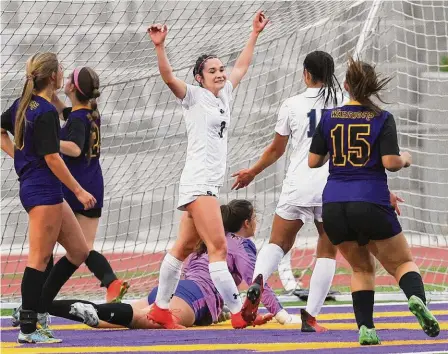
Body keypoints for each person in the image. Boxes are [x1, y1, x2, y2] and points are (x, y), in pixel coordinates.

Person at [145, 11, 269, 329]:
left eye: (220, 69)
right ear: (199, 78)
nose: (219, 73)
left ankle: (160, 309)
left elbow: (241, 66)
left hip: (207, 184)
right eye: (212, 70)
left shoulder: (225, 92)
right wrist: (160, 46)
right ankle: (239, 312)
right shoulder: (194, 97)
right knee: (218, 247)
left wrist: (253, 34)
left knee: (183, 247)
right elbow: (170, 79)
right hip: (199, 182)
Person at [308, 56, 440, 344]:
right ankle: (416, 299)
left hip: (334, 204)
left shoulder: (329, 117)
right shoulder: (382, 117)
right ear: (372, 88)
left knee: (361, 268)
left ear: (346, 86)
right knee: (403, 263)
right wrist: (405, 159)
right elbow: (390, 162)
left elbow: (313, 161)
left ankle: (366, 329)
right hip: (370, 200)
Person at [47, 200, 301, 329]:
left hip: (171, 291)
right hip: (193, 297)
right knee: (136, 320)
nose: (256, 223)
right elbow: (258, 283)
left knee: (117, 317)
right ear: (247, 223)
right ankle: (51, 308)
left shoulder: (208, 239)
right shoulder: (241, 245)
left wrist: (221, 309)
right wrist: (281, 314)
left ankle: (40, 307)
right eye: (255, 219)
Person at [232, 51, 345, 331]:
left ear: (306, 74)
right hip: (331, 185)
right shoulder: (344, 103)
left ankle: (258, 279)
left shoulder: (291, 104)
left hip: (298, 183)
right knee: (327, 250)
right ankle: (311, 317)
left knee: (278, 243)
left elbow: (276, 150)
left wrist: (251, 172)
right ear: (331, 75)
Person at [0, 52, 96, 344]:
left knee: (79, 251)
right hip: (42, 189)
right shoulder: (45, 111)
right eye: (61, 70)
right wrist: (79, 190)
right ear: (53, 76)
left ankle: (39, 311)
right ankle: (29, 326)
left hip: (44, 188)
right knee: (39, 259)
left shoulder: (24, 104)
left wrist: (21, 156)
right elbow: (52, 157)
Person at [53, 66, 129, 302]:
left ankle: (36, 301)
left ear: (73, 88)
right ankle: (111, 282)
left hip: (75, 187)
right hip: (94, 184)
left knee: (46, 248)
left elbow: (74, 148)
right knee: (84, 248)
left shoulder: (77, 119)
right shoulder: (89, 114)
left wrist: (48, 141)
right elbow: (65, 112)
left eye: (67, 80)